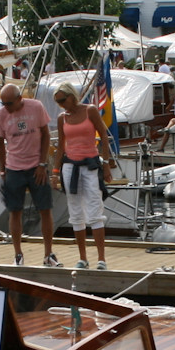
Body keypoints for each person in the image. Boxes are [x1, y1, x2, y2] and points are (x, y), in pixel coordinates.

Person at [50, 82, 116, 270]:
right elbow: (61, 146)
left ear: (72, 97)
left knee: (95, 208)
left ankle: (101, 259)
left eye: (63, 100)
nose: (61, 105)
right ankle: (83, 258)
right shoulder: (62, 118)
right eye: (58, 102)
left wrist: (106, 164)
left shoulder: (90, 110)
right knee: (75, 212)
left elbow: (103, 136)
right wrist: (55, 173)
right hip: (70, 166)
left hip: (90, 165)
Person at [0, 84, 57, 268]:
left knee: (45, 209)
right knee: (14, 211)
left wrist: (42, 164)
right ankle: (18, 254)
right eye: (3, 103)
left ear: (19, 99)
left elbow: (46, 135)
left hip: (36, 166)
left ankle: (48, 254)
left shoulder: (36, 107)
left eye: (9, 103)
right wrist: (2, 171)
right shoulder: (0, 115)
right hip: (13, 168)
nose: (6, 107)